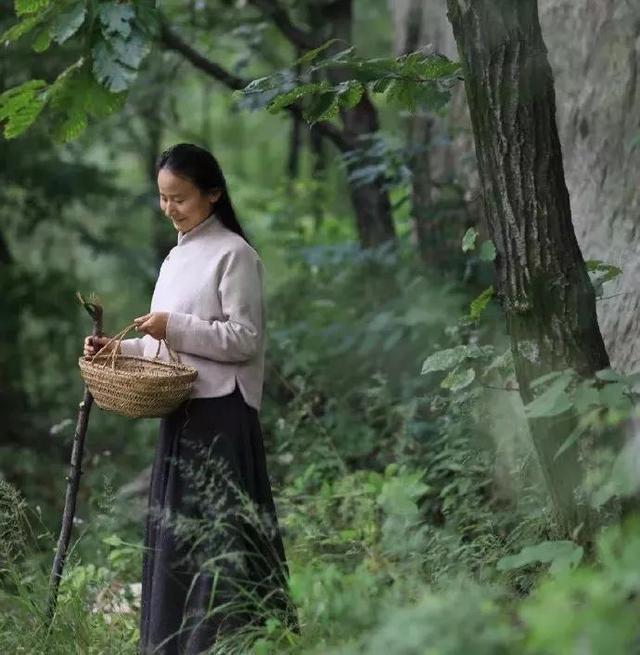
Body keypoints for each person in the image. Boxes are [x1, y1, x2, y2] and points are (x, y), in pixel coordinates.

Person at [83, 143, 298, 653]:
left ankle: (230, 642)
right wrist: (117, 347)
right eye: (162, 198)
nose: (169, 209)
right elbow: (165, 344)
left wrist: (173, 326)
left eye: (179, 198)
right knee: (178, 538)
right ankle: (175, 642)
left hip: (222, 413)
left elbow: (244, 338)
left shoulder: (235, 254)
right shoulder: (176, 256)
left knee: (220, 538)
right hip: (181, 413)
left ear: (213, 195)